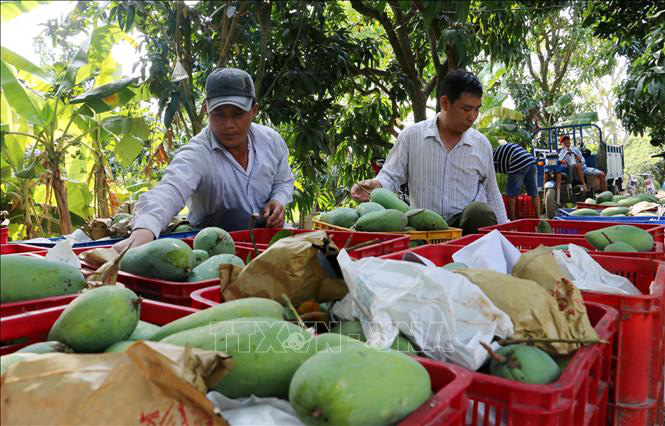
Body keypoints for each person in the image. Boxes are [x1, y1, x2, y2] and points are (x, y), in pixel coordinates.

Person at [113, 68, 294, 252]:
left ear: (254, 111)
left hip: (269, 240)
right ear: (207, 109)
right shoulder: (198, 153)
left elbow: (283, 181)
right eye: (219, 114)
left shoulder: (271, 142)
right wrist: (143, 231)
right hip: (215, 247)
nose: (228, 124)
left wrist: (278, 200)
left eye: (237, 113)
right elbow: (171, 189)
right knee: (236, 218)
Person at [350, 70, 508, 235]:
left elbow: (492, 193)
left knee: (479, 212)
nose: (472, 117)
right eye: (467, 109)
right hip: (424, 228)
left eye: (477, 109)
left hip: (464, 229)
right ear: (445, 103)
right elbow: (390, 175)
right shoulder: (412, 136)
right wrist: (375, 185)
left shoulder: (481, 144)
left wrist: (506, 233)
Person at [493, 142, 541, 220]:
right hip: (530, 161)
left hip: (517, 162)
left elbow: (490, 178)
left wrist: (508, 191)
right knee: (534, 193)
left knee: (511, 195)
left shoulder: (491, 159)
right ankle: (538, 219)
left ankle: (512, 219)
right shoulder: (498, 153)